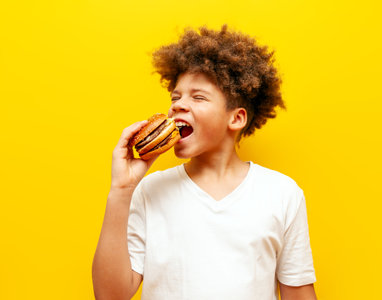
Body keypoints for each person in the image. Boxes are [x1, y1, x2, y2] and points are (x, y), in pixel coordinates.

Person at [92, 25, 317, 300]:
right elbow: (109, 295)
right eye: (175, 97)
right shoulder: (150, 190)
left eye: (198, 97)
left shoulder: (281, 193)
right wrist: (121, 191)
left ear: (236, 118)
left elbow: (298, 293)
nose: (178, 105)